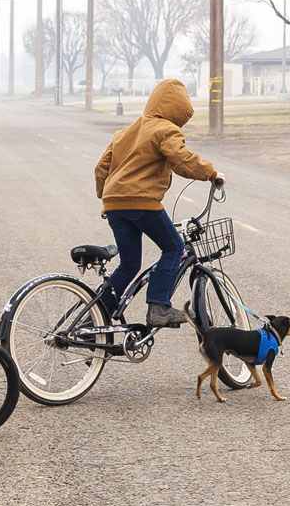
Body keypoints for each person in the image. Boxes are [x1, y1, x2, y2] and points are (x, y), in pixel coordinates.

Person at [94, 77, 224, 327]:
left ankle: (98, 315)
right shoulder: (167, 129)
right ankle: (159, 306)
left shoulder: (125, 132)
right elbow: (182, 160)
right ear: (179, 109)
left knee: (129, 264)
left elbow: (101, 168)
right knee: (174, 248)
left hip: (114, 203)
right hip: (142, 201)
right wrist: (212, 174)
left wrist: (106, 197)